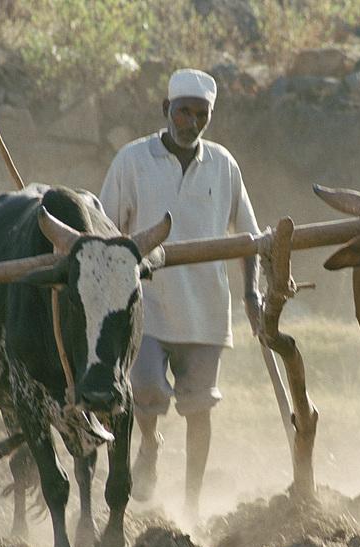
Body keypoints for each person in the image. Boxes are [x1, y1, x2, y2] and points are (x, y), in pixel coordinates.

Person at [99, 68, 263, 523]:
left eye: (200, 114)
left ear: (210, 116)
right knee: (145, 389)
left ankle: (191, 502)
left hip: (207, 310)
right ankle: (149, 444)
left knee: (199, 407)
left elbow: (249, 237)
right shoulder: (132, 161)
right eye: (183, 111)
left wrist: (251, 293)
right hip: (147, 306)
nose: (190, 122)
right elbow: (105, 231)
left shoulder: (224, 164)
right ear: (165, 111)